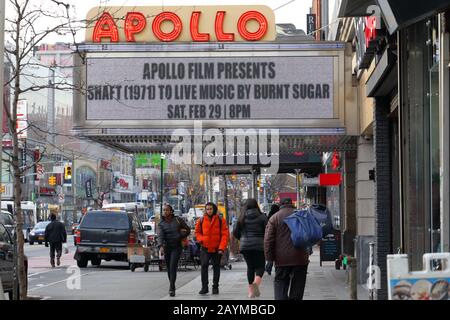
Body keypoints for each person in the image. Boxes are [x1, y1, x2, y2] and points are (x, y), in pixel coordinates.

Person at [264, 198, 310, 300]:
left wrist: (269, 259)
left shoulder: (274, 218)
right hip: (300, 257)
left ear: (280, 205)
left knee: (280, 283)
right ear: (292, 204)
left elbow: (268, 241)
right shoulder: (300, 216)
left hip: (282, 259)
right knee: (298, 287)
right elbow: (309, 235)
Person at [233, 199, 267, 298]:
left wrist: (242, 238)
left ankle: (251, 292)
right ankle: (256, 283)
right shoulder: (262, 217)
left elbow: (235, 232)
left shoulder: (241, 218)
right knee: (260, 267)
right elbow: (268, 231)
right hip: (259, 246)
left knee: (250, 267)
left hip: (245, 246)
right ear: (257, 206)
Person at [195, 202, 229, 295]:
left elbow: (225, 235)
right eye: (207, 209)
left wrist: (222, 247)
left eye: (210, 209)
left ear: (214, 209)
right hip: (205, 248)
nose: (209, 210)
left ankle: (215, 287)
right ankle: (204, 287)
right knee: (204, 266)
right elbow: (197, 232)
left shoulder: (221, 220)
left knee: (216, 267)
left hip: (217, 249)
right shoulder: (201, 220)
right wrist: (202, 239)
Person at [157, 204, 191, 297]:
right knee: (168, 268)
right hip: (167, 247)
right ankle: (172, 284)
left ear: (171, 211)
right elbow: (160, 236)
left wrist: (180, 235)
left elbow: (188, 230)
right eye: (164, 210)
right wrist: (160, 246)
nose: (165, 212)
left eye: (167, 210)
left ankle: (172, 287)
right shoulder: (161, 223)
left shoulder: (178, 220)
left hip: (176, 247)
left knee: (173, 266)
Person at [264, 203, 280, 275]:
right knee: (278, 255)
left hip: (271, 238)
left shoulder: (269, 216)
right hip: (278, 238)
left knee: (271, 253)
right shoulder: (278, 216)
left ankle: (268, 268)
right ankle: (276, 268)